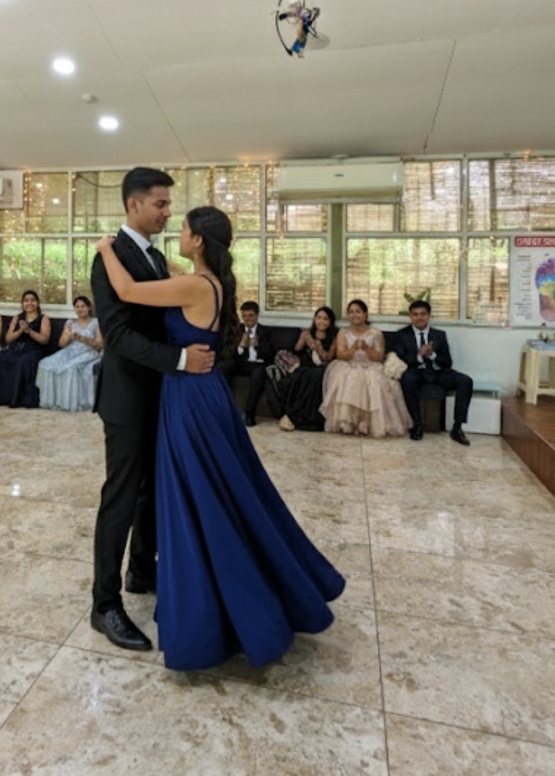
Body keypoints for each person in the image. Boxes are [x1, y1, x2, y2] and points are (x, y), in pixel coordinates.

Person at [96, 205, 345, 671]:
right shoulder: (210, 281)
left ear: (198, 242)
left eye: (184, 229)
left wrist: (106, 248)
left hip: (190, 397)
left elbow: (127, 289)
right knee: (221, 488)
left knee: (202, 493)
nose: (177, 230)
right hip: (200, 392)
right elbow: (161, 275)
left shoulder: (194, 285)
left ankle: (222, 600)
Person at [88, 167, 217, 653]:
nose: (168, 212)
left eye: (168, 205)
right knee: (120, 496)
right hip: (126, 398)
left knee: (150, 492)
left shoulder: (157, 257)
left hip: (160, 395)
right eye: (160, 204)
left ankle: (142, 569)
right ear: (134, 205)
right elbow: (117, 336)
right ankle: (104, 604)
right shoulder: (110, 259)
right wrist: (181, 359)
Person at [319, 299, 410, 437]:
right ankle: (349, 422)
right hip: (348, 365)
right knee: (349, 378)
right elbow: (341, 355)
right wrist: (353, 348)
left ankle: (366, 422)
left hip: (371, 365)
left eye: (358, 312)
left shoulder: (375, 333)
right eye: (351, 312)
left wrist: (367, 349)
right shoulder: (343, 333)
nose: (355, 315)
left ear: (365, 314)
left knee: (376, 381)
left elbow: (380, 357)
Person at [391, 299, 474, 445]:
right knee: (408, 379)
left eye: (423, 314)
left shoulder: (440, 335)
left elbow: (448, 363)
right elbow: (405, 360)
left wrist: (432, 355)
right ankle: (417, 425)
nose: (419, 318)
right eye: (415, 314)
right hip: (416, 371)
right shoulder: (402, 335)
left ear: (429, 316)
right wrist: (420, 355)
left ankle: (457, 428)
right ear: (410, 316)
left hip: (438, 372)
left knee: (465, 380)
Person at [272, 305, 337, 432]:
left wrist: (318, 348)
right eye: (318, 318)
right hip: (304, 368)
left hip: (322, 370)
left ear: (330, 322)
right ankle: (293, 415)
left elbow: (328, 358)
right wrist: (303, 339)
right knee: (302, 376)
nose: (321, 321)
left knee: (316, 376)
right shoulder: (307, 333)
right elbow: (296, 350)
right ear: (314, 319)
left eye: (325, 319)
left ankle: (294, 416)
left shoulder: (334, 337)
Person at [0, 290, 54, 408]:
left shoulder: (44, 319)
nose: (29, 303)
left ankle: (18, 399)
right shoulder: (17, 318)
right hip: (16, 348)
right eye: (26, 300)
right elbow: (8, 339)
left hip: (35, 349)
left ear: (37, 303)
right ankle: (0, 398)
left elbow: (44, 340)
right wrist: (21, 330)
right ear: (22, 303)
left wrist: (29, 331)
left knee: (23, 363)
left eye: (32, 300)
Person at [35, 295, 102, 412]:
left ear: (89, 307)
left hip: (89, 352)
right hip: (70, 351)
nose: (80, 309)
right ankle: (54, 400)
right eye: (77, 307)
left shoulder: (96, 322)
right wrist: (67, 335)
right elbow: (61, 344)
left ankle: (69, 401)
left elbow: (99, 345)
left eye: (83, 306)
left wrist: (82, 338)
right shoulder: (70, 322)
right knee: (45, 363)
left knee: (70, 368)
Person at [219, 301, 275, 426]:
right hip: (241, 363)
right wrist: (241, 346)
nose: (247, 319)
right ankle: (225, 409)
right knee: (224, 366)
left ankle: (249, 413)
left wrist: (258, 346)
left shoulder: (266, 331)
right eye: (244, 316)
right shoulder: (236, 330)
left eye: (250, 315)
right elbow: (229, 353)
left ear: (257, 316)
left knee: (259, 372)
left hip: (257, 364)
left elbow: (271, 355)